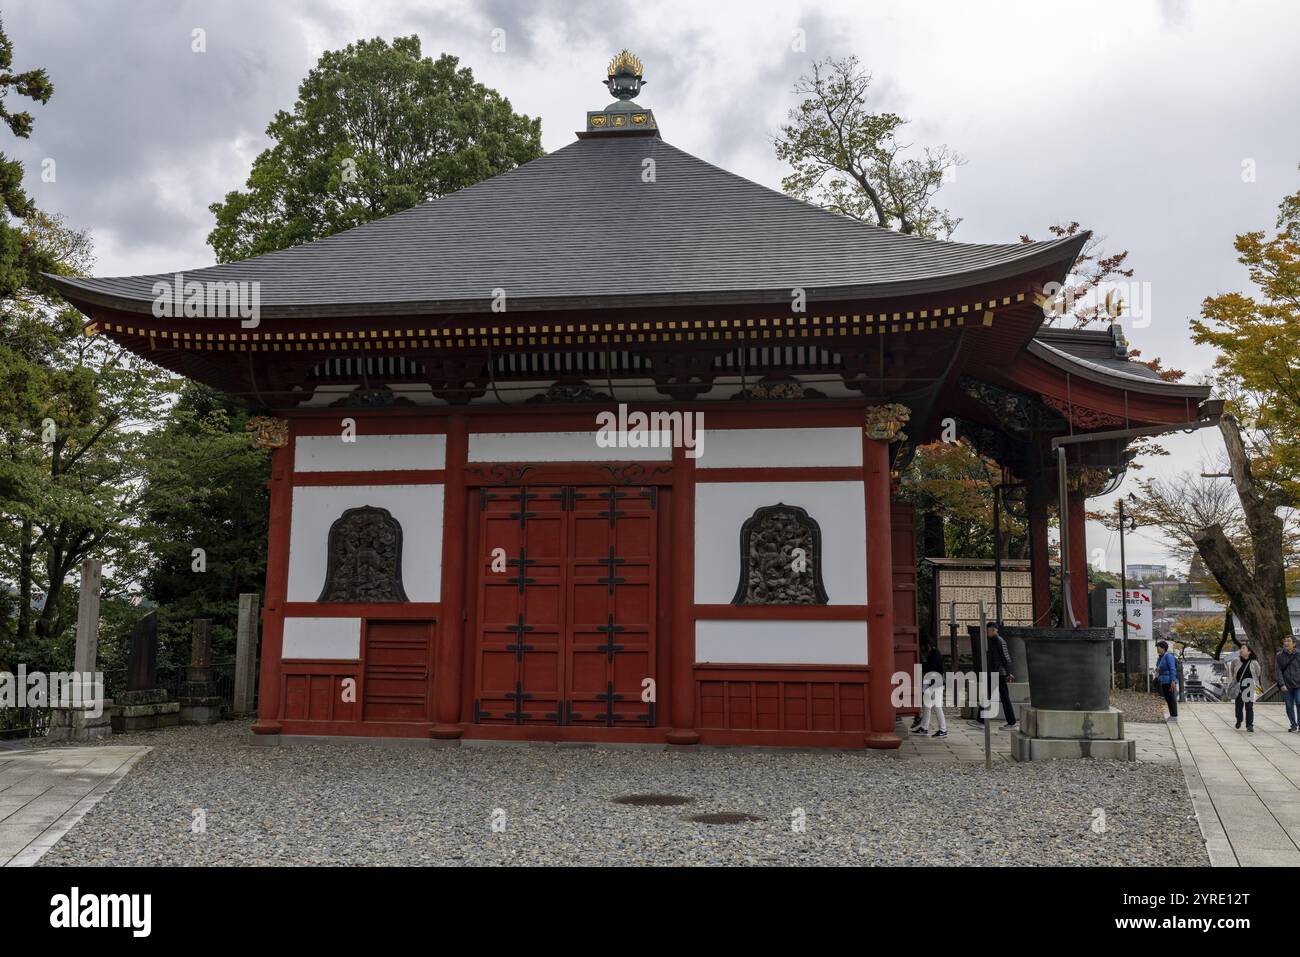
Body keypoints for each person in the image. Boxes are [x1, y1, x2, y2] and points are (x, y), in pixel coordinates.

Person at [974, 621, 1017, 730]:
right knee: (989, 695)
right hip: (994, 673)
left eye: (988, 630)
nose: (986, 633)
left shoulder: (999, 641)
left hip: (999, 673)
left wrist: (1009, 673)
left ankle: (1011, 722)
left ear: (994, 630)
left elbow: (1005, 657)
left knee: (1003, 697)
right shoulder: (993, 641)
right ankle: (981, 721)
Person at [911, 640, 948, 738]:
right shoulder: (933, 653)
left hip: (935, 684)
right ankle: (924, 727)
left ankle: (943, 729)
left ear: (929, 645)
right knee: (926, 706)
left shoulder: (934, 655)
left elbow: (933, 669)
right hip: (932, 683)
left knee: (937, 706)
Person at [1228, 642, 1260, 732]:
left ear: (1249, 652)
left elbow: (1258, 673)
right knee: (1238, 706)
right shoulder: (1235, 661)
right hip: (1238, 686)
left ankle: (1249, 725)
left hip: (1249, 687)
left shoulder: (1254, 663)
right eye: (1241, 648)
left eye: (1243, 648)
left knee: (1249, 706)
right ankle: (1239, 720)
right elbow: (1233, 671)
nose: (1241, 650)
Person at [1276, 636, 1300, 732]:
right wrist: (1282, 684)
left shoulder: (1298, 654)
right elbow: (1278, 671)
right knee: (1289, 706)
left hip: (1298, 684)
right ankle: (1293, 725)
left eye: (1288, 641)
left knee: (1299, 702)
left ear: (1294, 644)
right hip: (1286, 685)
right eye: (1285, 641)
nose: (1286, 643)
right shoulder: (1279, 656)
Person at [1156, 640, 1179, 722]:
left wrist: (1173, 680)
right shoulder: (1161, 657)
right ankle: (1172, 715)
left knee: (1171, 698)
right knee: (1168, 698)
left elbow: (1172, 668)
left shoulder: (1168, 656)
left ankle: (1174, 716)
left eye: (1158, 648)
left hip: (1169, 680)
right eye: (1157, 648)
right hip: (1164, 680)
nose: (1157, 650)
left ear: (1163, 648)